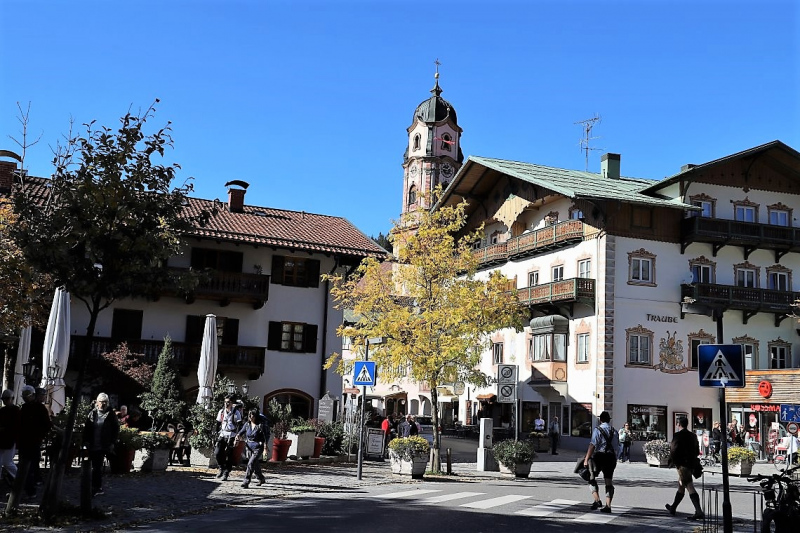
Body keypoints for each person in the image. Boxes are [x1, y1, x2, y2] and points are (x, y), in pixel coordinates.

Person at [665, 416, 704, 520]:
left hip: (682, 464)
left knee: (689, 485)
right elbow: (697, 450)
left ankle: (698, 510)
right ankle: (673, 507)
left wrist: (673, 461)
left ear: (678, 425)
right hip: (691, 463)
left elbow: (674, 449)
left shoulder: (678, 435)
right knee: (681, 485)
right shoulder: (692, 435)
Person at [82, 392, 120, 497]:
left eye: (105, 402)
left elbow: (116, 429)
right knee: (92, 466)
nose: (103, 404)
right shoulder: (92, 413)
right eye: (101, 402)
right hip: (92, 443)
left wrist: (112, 442)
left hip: (103, 444)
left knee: (97, 467)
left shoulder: (111, 414)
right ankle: (92, 486)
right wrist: (85, 441)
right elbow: (87, 428)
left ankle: (97, 487)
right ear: (96, 402)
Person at [16, 385, 51, 497]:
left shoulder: (39, 408)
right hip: (25, 441)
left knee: (30, 467)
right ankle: (23, 489)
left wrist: (39, 434)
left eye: (28, 396)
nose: (26, 398)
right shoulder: (25, 408)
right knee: (25, 466)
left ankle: (30, 490)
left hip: (33, 441)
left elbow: (46, 425)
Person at [583, 411, 619, 513]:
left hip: (599, 456)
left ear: (600, 419)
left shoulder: (597, 430)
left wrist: (586, 459)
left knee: (591, 477)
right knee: (608, 481)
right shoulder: (614, 431)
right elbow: (617, 446)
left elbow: (592, 445)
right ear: (609, 420)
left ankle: (597, 500)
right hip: (611, 457)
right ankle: (608, 506)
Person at [236, 408, 269, 488]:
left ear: (256, 416)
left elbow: (265, 437)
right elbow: (240, 432)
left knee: (250, 463)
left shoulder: (260, 425)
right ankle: (261, 478)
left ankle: (246, 481)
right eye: (249, 415)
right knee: (255, 464)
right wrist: (237, 437)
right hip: (249, 447)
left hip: (258, 447)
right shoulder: (247, 424)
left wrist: (265, 448)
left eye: (252, 415)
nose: (250, 417)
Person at [215, 396, 242, 480]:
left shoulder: (236, 412)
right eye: (225, 402)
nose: (226, 404)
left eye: (228, 402)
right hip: (223, 434)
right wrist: (216, 433)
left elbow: (239, 424)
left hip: (232, 434)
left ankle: (226, 472)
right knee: (217, 452)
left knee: (229, 454)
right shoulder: (221, 411)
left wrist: (237, 436)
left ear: (232, 403)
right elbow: (218, 423)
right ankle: (221, 467)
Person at [0, 389, 20, 482]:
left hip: (10, 439)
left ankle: (19, 478)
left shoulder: (16, 411)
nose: (5, 400)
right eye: (4, 399)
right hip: (3, 439)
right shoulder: (2, 411)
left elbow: (16, 426)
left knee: (7, 462)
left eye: (7, 398)